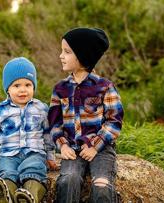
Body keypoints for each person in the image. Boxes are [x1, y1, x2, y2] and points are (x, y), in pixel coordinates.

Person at [48, 28, 124, 203]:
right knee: (68, 180)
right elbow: (54, 122)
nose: (60, 55)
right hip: (72, 149)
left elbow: (114, 120)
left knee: (102, 186)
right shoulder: (60, 89)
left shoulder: (104, 86)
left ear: (83, 56)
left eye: (67, 52)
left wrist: (95, 146)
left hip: (102, 149)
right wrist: (63, 146)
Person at [0, 57, 57, 203]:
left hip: (34, 153)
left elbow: (48, 135)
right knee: (5, 170)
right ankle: (5, 194)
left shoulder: (41, 108)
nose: (23, 90)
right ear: (8, 89)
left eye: (28, 85)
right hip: (8, 155)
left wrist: (50, 156)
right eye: (16, 85)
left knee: (35, 168)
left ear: (34, 87)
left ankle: (30, 195)